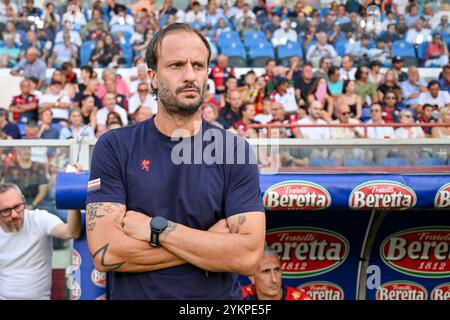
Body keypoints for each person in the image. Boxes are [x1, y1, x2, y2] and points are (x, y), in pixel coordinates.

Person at [86, 23, 265, 300]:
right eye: (177, 65)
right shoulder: (115, 146)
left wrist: (156, 230)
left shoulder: (235, 150)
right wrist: (210, 243)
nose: (190, 75)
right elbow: (107, 253)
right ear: (153, 77)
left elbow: (247, 257)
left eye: (199, 65)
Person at [0, 183, 81, 300]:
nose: (14, 215)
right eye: (6, 210)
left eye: (17, 206)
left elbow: (71, 232)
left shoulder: (39, 219)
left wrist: (74, 192)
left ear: (23, 200)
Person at [242, 246, 312, 300]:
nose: (274, 279)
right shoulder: (240, 296)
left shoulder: (300, 298)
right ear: (252, 278)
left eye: (277, 270)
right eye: (266, 271)